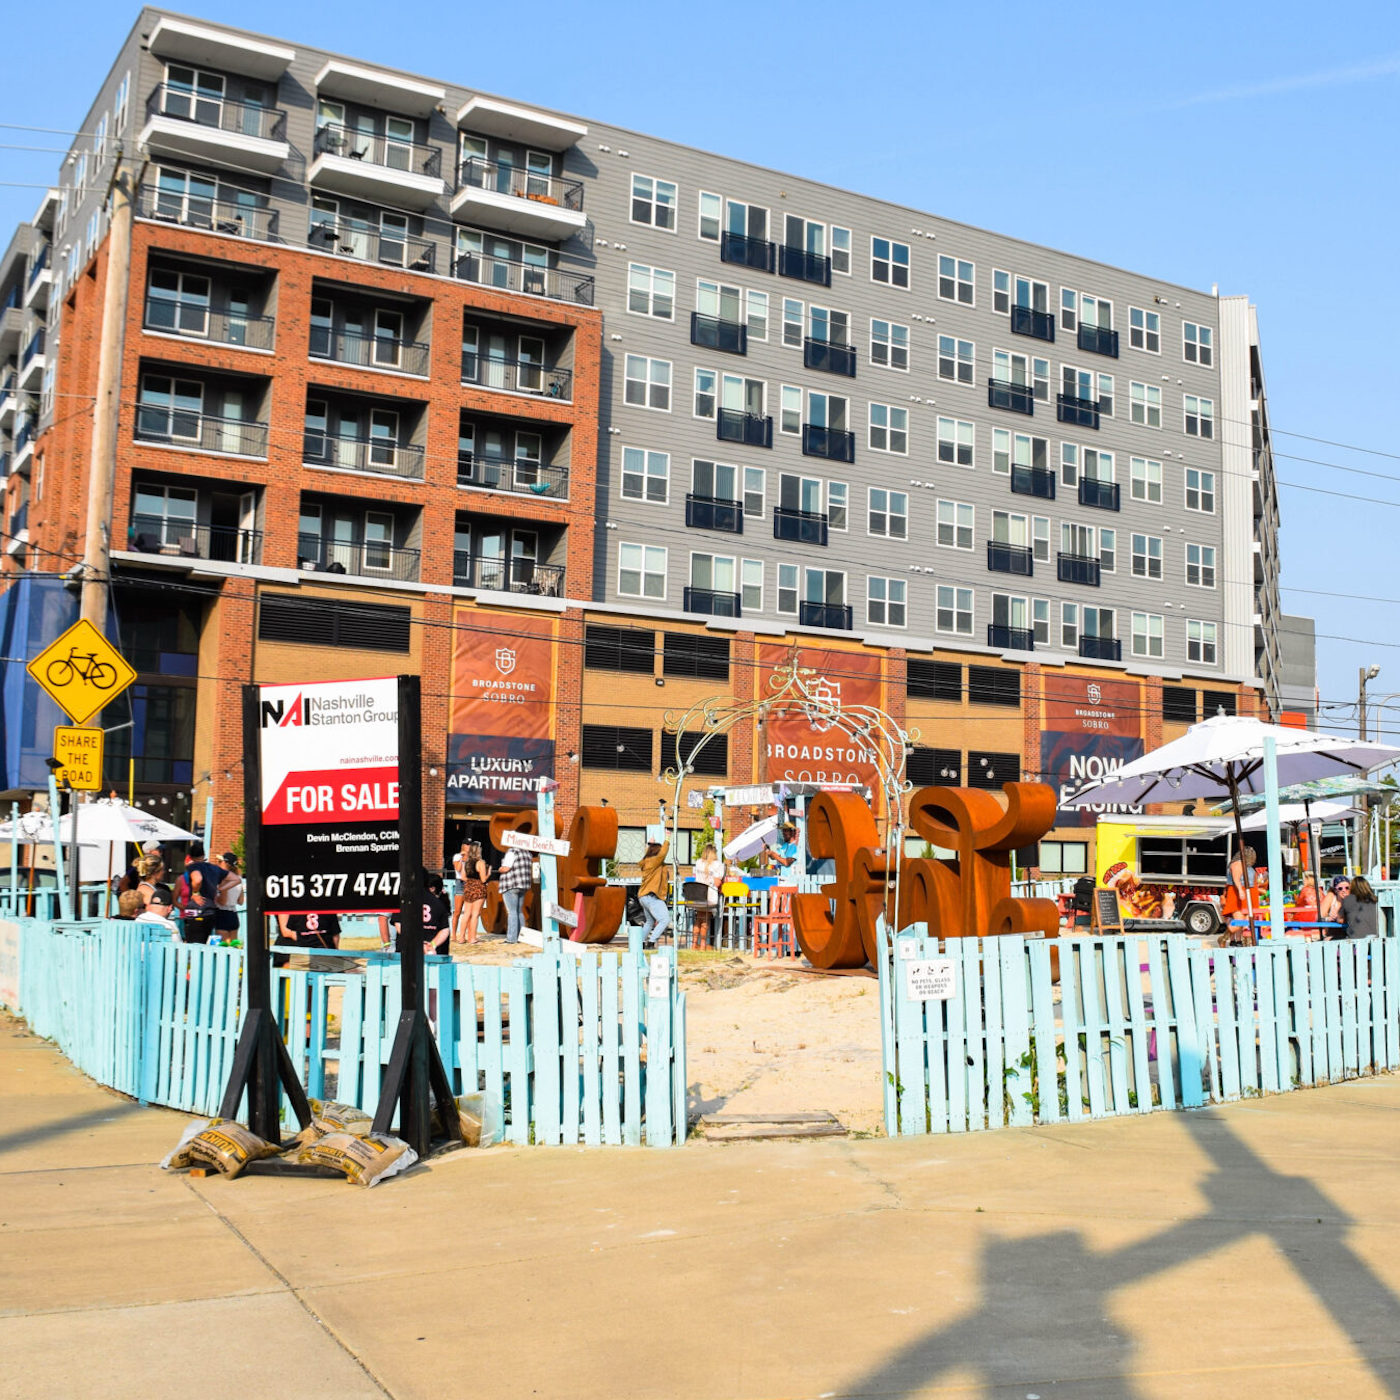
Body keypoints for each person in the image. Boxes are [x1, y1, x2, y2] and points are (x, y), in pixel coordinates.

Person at [453, 840, 490, 944]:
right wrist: (489, 873)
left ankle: (461, 938)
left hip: (468, 887)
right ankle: (472, 938)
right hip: (478, 888)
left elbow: (463, 876)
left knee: (466, 914)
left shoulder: (467, 862)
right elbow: (483, 879)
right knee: (475, 914)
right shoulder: (480, 862)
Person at [637, 839, 672, 945]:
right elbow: (662, 854)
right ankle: (652, 942)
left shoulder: (649, 862)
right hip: (651, 896)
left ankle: (640, 943)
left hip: (644, 896)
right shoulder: (653, 861)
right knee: (665, 919)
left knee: (650, 922)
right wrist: (667, 839)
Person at [497, 844, 533, 945]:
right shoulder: (527, 853)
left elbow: (506, 868)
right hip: (523, 885)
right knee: (519, 912)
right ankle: (522, 937)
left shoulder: (512, 852)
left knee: (512, 912)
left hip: (511, 884)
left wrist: (500, 868)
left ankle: (511, 939)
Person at [691, 843, 724, 947]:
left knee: (698, 918)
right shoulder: (718, 865)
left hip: (697, 896)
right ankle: (703, 944)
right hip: (709, 897)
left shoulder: (698, 863)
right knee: (705, 919)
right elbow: (718, 883)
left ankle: (694, 943)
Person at [1338, 874, 1380, 940]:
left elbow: (1339, 919)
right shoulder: (1376, 900)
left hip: (1355, 939)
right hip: (1376, 938)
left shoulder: (1349, 900)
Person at [213, 853, 244, 939]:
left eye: (220, 861)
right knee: (233, 946)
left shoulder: (224, 879)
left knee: (223, 948)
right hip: (233, 914)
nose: (218, 864)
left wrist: (215, 897)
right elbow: (240, 901)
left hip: (222, 914)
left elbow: (223, 902)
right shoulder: (238, 879)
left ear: (226, 863)